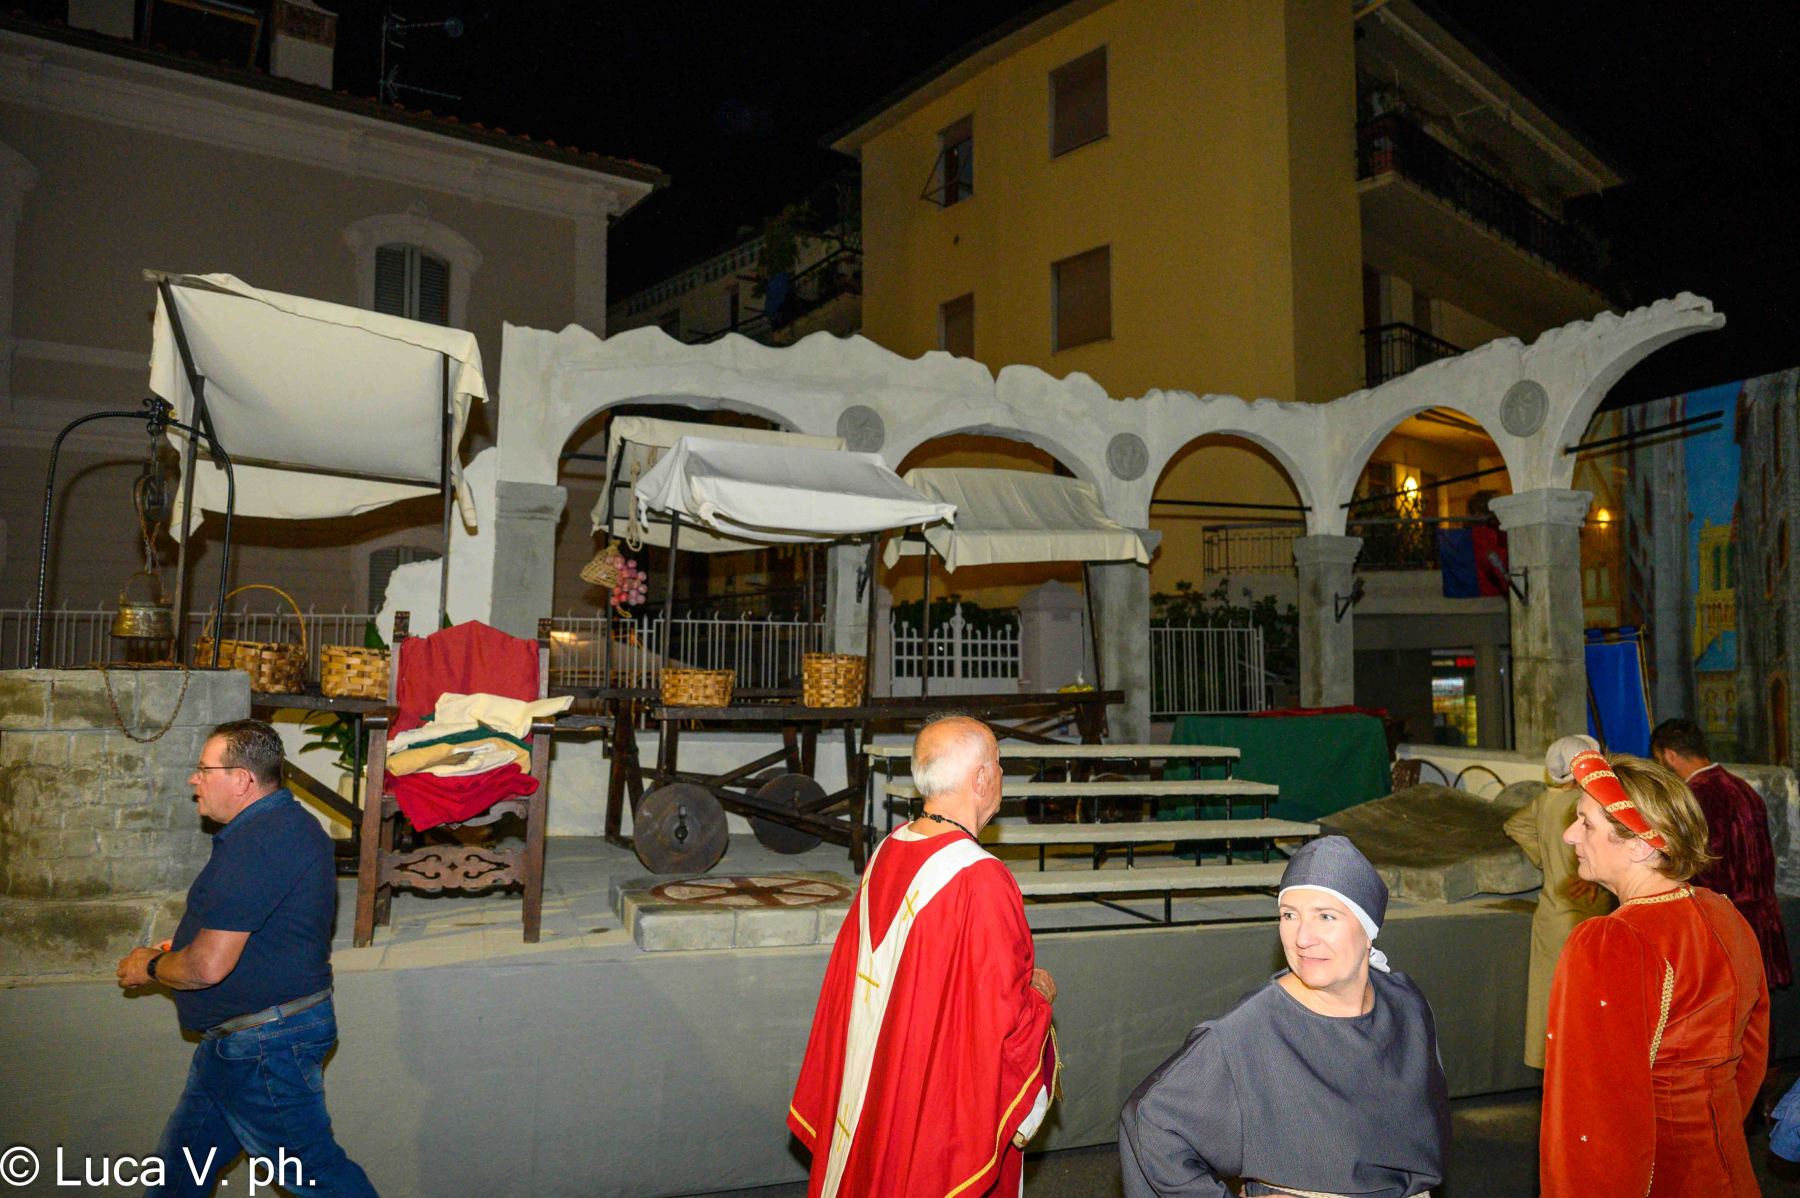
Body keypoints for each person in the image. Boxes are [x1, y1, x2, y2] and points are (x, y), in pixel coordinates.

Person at [788, 715, 1058, 1197]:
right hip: (925, 1104)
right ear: (981, 778)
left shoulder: (886, 851)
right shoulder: (981, 880)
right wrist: (1038, 996)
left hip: (872, 1087)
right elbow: (998, 1025)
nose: (1001, 776)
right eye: (999, 764)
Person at [115, 720, 378, 1197]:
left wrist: (149, 966)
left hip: (262, 1046)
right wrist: (189, 944)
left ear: (241, 780)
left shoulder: (258, 842)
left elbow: (207, 967)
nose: (194, 779)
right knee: (178, 1176)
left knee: (317, 1176)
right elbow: (268, 930)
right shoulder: (287, 826)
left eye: (204, 770)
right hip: (247, 1040)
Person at [1119, 835, 1449, 1198]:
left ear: (1368, 929)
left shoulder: (1405, 1005)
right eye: (1289, 915)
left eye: (1326, 916)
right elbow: (1149, 1121)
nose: (1303, 937)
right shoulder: (1248, 1031)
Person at [1540, 750, 1768, 1197]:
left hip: (1655, 1177)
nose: (1569, 835)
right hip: (1727, 1168)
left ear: (1641, 844)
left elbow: (1593, 1111)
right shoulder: (1725, 914)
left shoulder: (1610, 941)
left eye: (1586, 823)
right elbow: (1752, 1057)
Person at [1649, 717, 1791, 988]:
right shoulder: (1743, 788)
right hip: (1759, 923)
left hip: (1723, 928)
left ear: (1669, 755)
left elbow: (1696, 869)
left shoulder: (1696, 797)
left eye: (1658, 759)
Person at [1501, 734, 1614, 1069]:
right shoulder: (1586, 804)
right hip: (1585, 913)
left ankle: (1553, 1073)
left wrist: (1544, 858)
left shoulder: (1545, 801)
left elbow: (1514, 825)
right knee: (1586, 1007)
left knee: (1548, 1003)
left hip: (1550, 913)